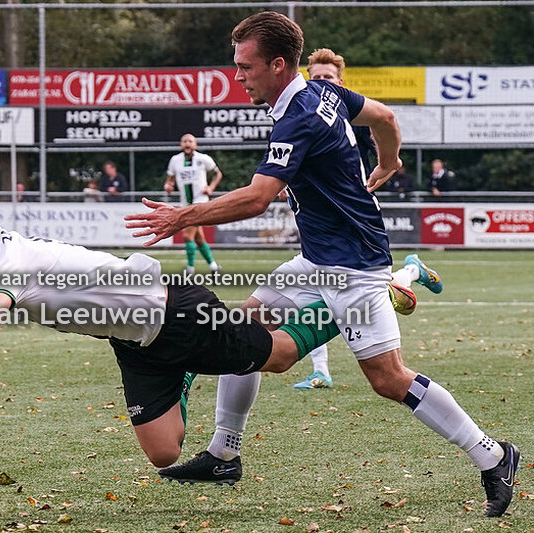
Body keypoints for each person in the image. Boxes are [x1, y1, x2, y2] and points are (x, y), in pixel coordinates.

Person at [125, 11, 518, 517]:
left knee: (388, 378)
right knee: (245, 324)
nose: (238, 75)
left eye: (245, 66)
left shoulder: (300, 115)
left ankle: (493, 454)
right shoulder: (322, 93)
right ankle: (224, 452)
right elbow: (385, 119)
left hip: (354, 265)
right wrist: (388, 162)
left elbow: (257, 198)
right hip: (319, 259)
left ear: (279, 64)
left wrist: (185, 215)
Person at [0, 205, 343, 469]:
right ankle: (184, 382)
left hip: (173, 313)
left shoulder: (10, 263)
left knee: (274, 356)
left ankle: (350, 305)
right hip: (133, 340)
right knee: (164, 454)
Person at [294, 49, 439, 391]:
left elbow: (381, 125)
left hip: (351, 218)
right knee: (315, 285)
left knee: (332, 291)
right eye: (315, 77)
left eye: (328, 78)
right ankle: (410, 273)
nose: (321, 83)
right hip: (319, 216)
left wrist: (386, 162)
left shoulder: (343, 116)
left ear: (341, 83)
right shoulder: (300, 117)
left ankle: (406, 276)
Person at [164, 134, 223, 274]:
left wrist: (211, 188)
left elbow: (218, 174)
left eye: (190, 141)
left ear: (195, 145)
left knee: (187, 235)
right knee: (198, 238)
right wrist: (168, 186)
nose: (187, 144)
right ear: (181, 144)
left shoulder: (203, 159)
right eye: (184, 141)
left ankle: (190, 270)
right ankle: (213, 266)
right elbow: (170, 179)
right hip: (186, 203)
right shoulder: (175, 160)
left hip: (200, 202)